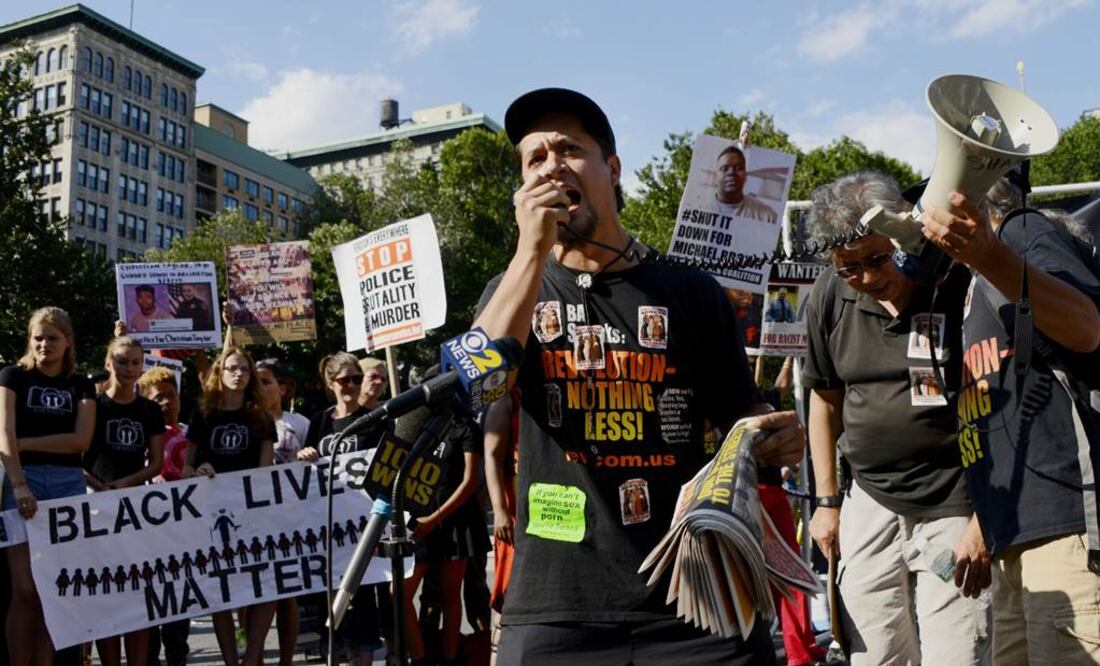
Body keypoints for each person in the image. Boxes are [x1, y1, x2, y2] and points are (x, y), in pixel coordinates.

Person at [474, 87, 805, 664]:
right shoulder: (510, 294)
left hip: (696, 602)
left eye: (569, 149)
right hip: (558, 607)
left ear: (612, 168)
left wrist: (776, 434)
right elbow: (479, 386)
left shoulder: (691, 291)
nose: (552, 165)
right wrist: (531, 252)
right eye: (535, 159)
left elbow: (738, 416)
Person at [802, 172, 989, 665]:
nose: (866, 277)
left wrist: (985, 515)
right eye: (849, 267)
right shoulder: (829, 295)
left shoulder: (956, 278)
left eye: (877, 259)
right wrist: (826, 501)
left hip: (954, 497)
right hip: (870, 497)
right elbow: (824, 399)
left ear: (902, 231)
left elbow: (1003, 397)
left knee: (957, 651)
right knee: (874, 652)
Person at [921, 178, 1100, 663]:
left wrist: (987, 253)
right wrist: (984, 522)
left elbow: (1086, 327)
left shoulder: (1022, 232)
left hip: (1064, 529)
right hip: (1014, 536)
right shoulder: (971, 282)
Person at [1, 307, 96, 666]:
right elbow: (3, 434)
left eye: (53, 338)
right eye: (38, 337)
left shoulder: (81, 384)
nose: (44, 344)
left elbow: (80, 441)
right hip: (19, 483)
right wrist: (20, 483)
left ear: (68, 341)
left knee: (51, 590)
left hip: (68, 484)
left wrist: (24, 442)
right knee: (24, 589)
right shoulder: (12, 376)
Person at [181, 348, 276, 666]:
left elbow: (265, 471)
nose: (238, 374)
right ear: (219, 374)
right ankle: (230, 661)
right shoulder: (203, 416)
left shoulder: (261, 418)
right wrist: (199, 473)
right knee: (219, 591)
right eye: (232, 369)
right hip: (213, 515)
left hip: (251, 515)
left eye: (245, 370)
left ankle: (251, 658)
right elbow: (185, 472)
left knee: (265, 588)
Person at [83, 334, 165, 666]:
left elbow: (156, 463)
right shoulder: (92, 405)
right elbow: (77, 455)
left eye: (134, 362)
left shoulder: (149, 410)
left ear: (142, 365)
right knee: (105, 597)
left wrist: (123, 485)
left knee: (137, 596)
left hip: (135, 508)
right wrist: (97, 486)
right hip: (93, 507)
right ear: (108, 363)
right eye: (121, 361)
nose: (128, 368)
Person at [298, 353, 385, 664]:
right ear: (330, 383)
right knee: (329, 596)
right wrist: (305, 454)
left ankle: (363, 656)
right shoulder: (319, 422)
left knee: (361, 597)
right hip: (325, 525)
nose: (351, 385)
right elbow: (303, 468)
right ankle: (334, 654)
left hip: (361, 525)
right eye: (344, 379)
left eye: (356, 378)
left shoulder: (373, 420)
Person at [136, 366, 192, 666]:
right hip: (147, 534)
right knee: (149, 603)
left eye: (171, 396)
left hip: (182, 534)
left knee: (178, 604)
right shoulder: (141, 437)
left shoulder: (192, 434)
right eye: (159, 398)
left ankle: (177, 657)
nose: (167, 403)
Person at [254, 358, 308, 666]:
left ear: (282, 389)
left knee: (288, 593)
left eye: (265, 382)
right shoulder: (246, 423)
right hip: (253, 518)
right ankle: (255, 656)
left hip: (290, 518)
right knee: (251, 593)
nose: (258, 388)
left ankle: (286, 659)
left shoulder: (299, 423)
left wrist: (307, 455)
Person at [714, 144, 777, 224]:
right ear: (715, 176)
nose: (731, 173)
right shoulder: (699, 209)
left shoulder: (767, 216)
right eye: (724, 169)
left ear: (746, 176)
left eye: (738, 168)